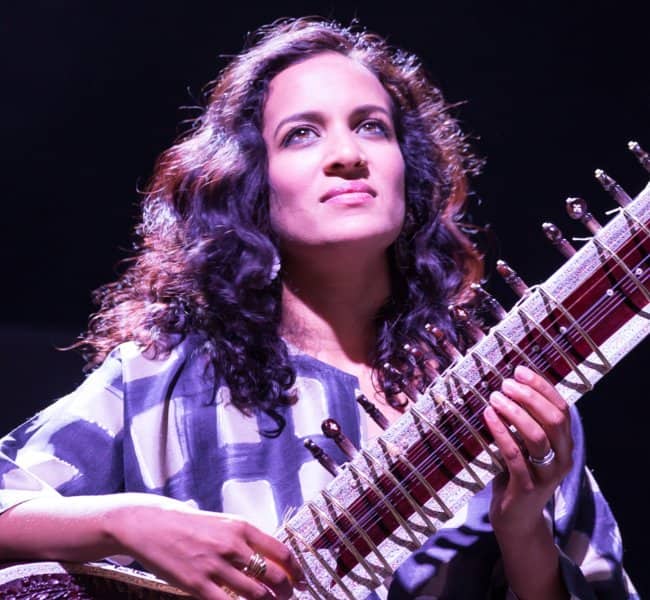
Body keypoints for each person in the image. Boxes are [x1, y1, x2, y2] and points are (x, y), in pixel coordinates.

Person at [0, 16, 637, 600]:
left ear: (406, 170)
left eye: (371, 126)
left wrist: (522, 527)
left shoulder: (514, 396)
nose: (347, 155)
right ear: (253, 181)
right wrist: (123, 522)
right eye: (302, 134)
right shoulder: (160, 385)